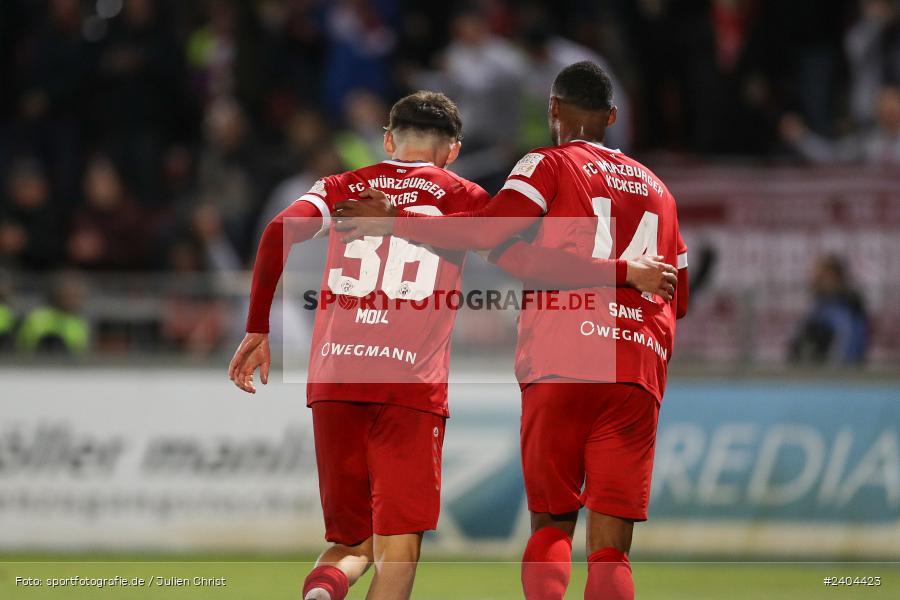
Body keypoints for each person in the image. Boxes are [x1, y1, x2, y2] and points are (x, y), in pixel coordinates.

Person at [228, 89, 675, 600]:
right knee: (399, 552)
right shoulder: (468, 199)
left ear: (388, 139)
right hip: (411, 389)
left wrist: (258, 327)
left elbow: (276, 232)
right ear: (454, 150)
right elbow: (526, 263)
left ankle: (323, 591)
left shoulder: (342, 187)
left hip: (334, 380)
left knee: (353, 542)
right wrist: (620, 273)